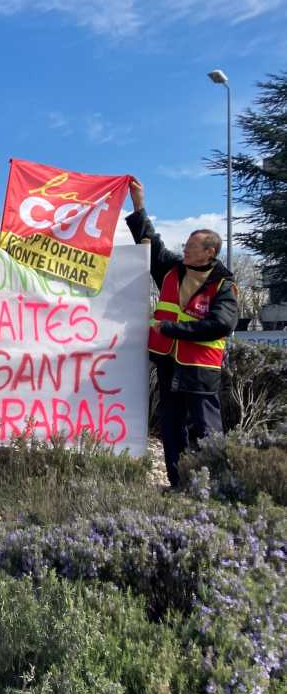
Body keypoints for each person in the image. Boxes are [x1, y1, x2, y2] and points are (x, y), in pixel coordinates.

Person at [126, 179, 237, 488]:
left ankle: (213, 488)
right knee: (172, 427)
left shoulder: (223, 286)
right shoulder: (172, 270)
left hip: (200, 369)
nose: (184, 250)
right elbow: (152, 241)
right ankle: (178, 485)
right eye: (185, 246)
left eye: (191, 247)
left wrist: (172, 328)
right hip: (168, 363)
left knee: (206, 429)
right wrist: (138, 204)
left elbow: (219, 325)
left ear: (209, 252)